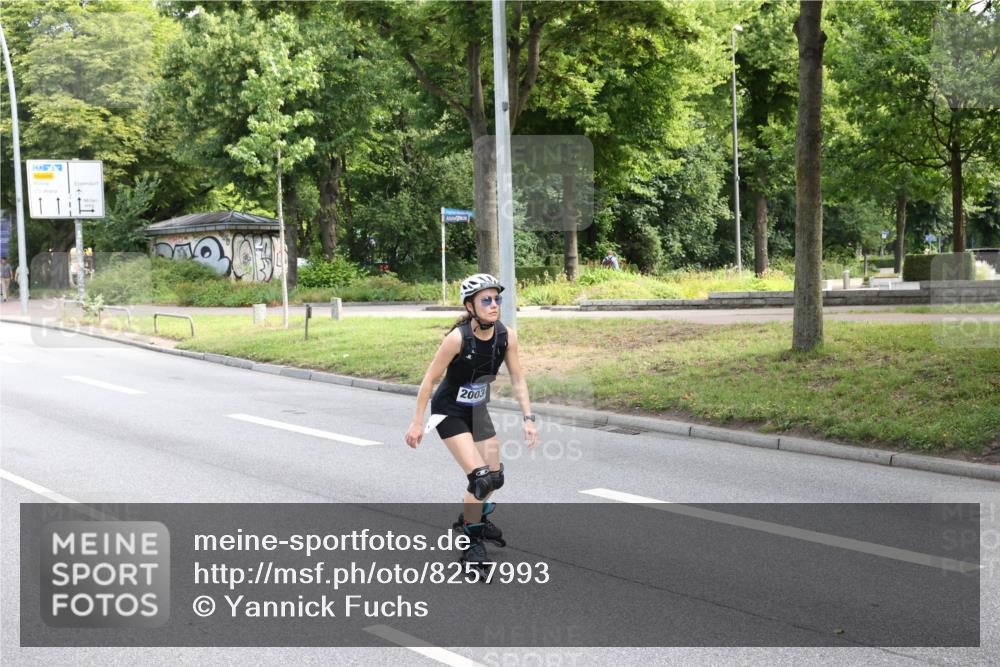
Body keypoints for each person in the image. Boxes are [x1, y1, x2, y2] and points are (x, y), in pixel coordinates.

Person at [405, 273, 537, 572]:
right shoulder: (457, 338)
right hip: (448, 411)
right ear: (470, 306)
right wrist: (416, 421)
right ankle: (471, 540)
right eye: (486, 300)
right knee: (479, 479)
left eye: (497, 299)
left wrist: (528, 418)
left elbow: (518, 378)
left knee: (495, 477)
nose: (494, 305)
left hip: (477, 410)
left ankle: (473, 516)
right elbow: (429, 380)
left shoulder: (506, 336)